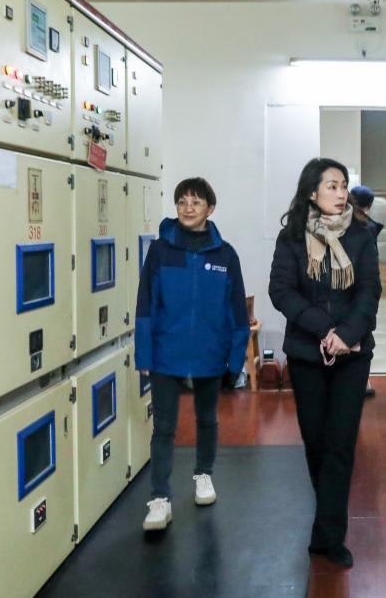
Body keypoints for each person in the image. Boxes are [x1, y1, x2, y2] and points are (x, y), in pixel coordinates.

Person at [269, 159, 381, 567]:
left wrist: (346, 335)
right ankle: (328, 512)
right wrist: (324, 330)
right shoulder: (291, 238)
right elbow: (281, 290)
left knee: (340, 443)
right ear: (312, 192)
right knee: (316, 443)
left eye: (343, 185)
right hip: (307, 352)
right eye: (332, 186)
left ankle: (329, 536)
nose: (341, 192)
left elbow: (369, 291)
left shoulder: (362, 235)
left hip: (352, 354)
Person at [135, 177, 250, 532]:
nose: (188, 208)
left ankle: (203, 475)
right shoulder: (160, 251)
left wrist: (235, 360)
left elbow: (237, 312)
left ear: (209, 209)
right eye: (182, 202)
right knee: (163, 427)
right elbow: (145, 305)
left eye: (196, 202)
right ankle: (159, 498)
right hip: (165, 352)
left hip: (209, 353)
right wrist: (144, 355)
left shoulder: (225, 255)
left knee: (207, 419)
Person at [348, 185, 382, 398]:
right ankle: (361, 381)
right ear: (368, 205)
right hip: (361, 292)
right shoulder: (367, 227)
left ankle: (358, 381)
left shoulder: (356, 226)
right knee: (361, 334)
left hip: (350, 291)